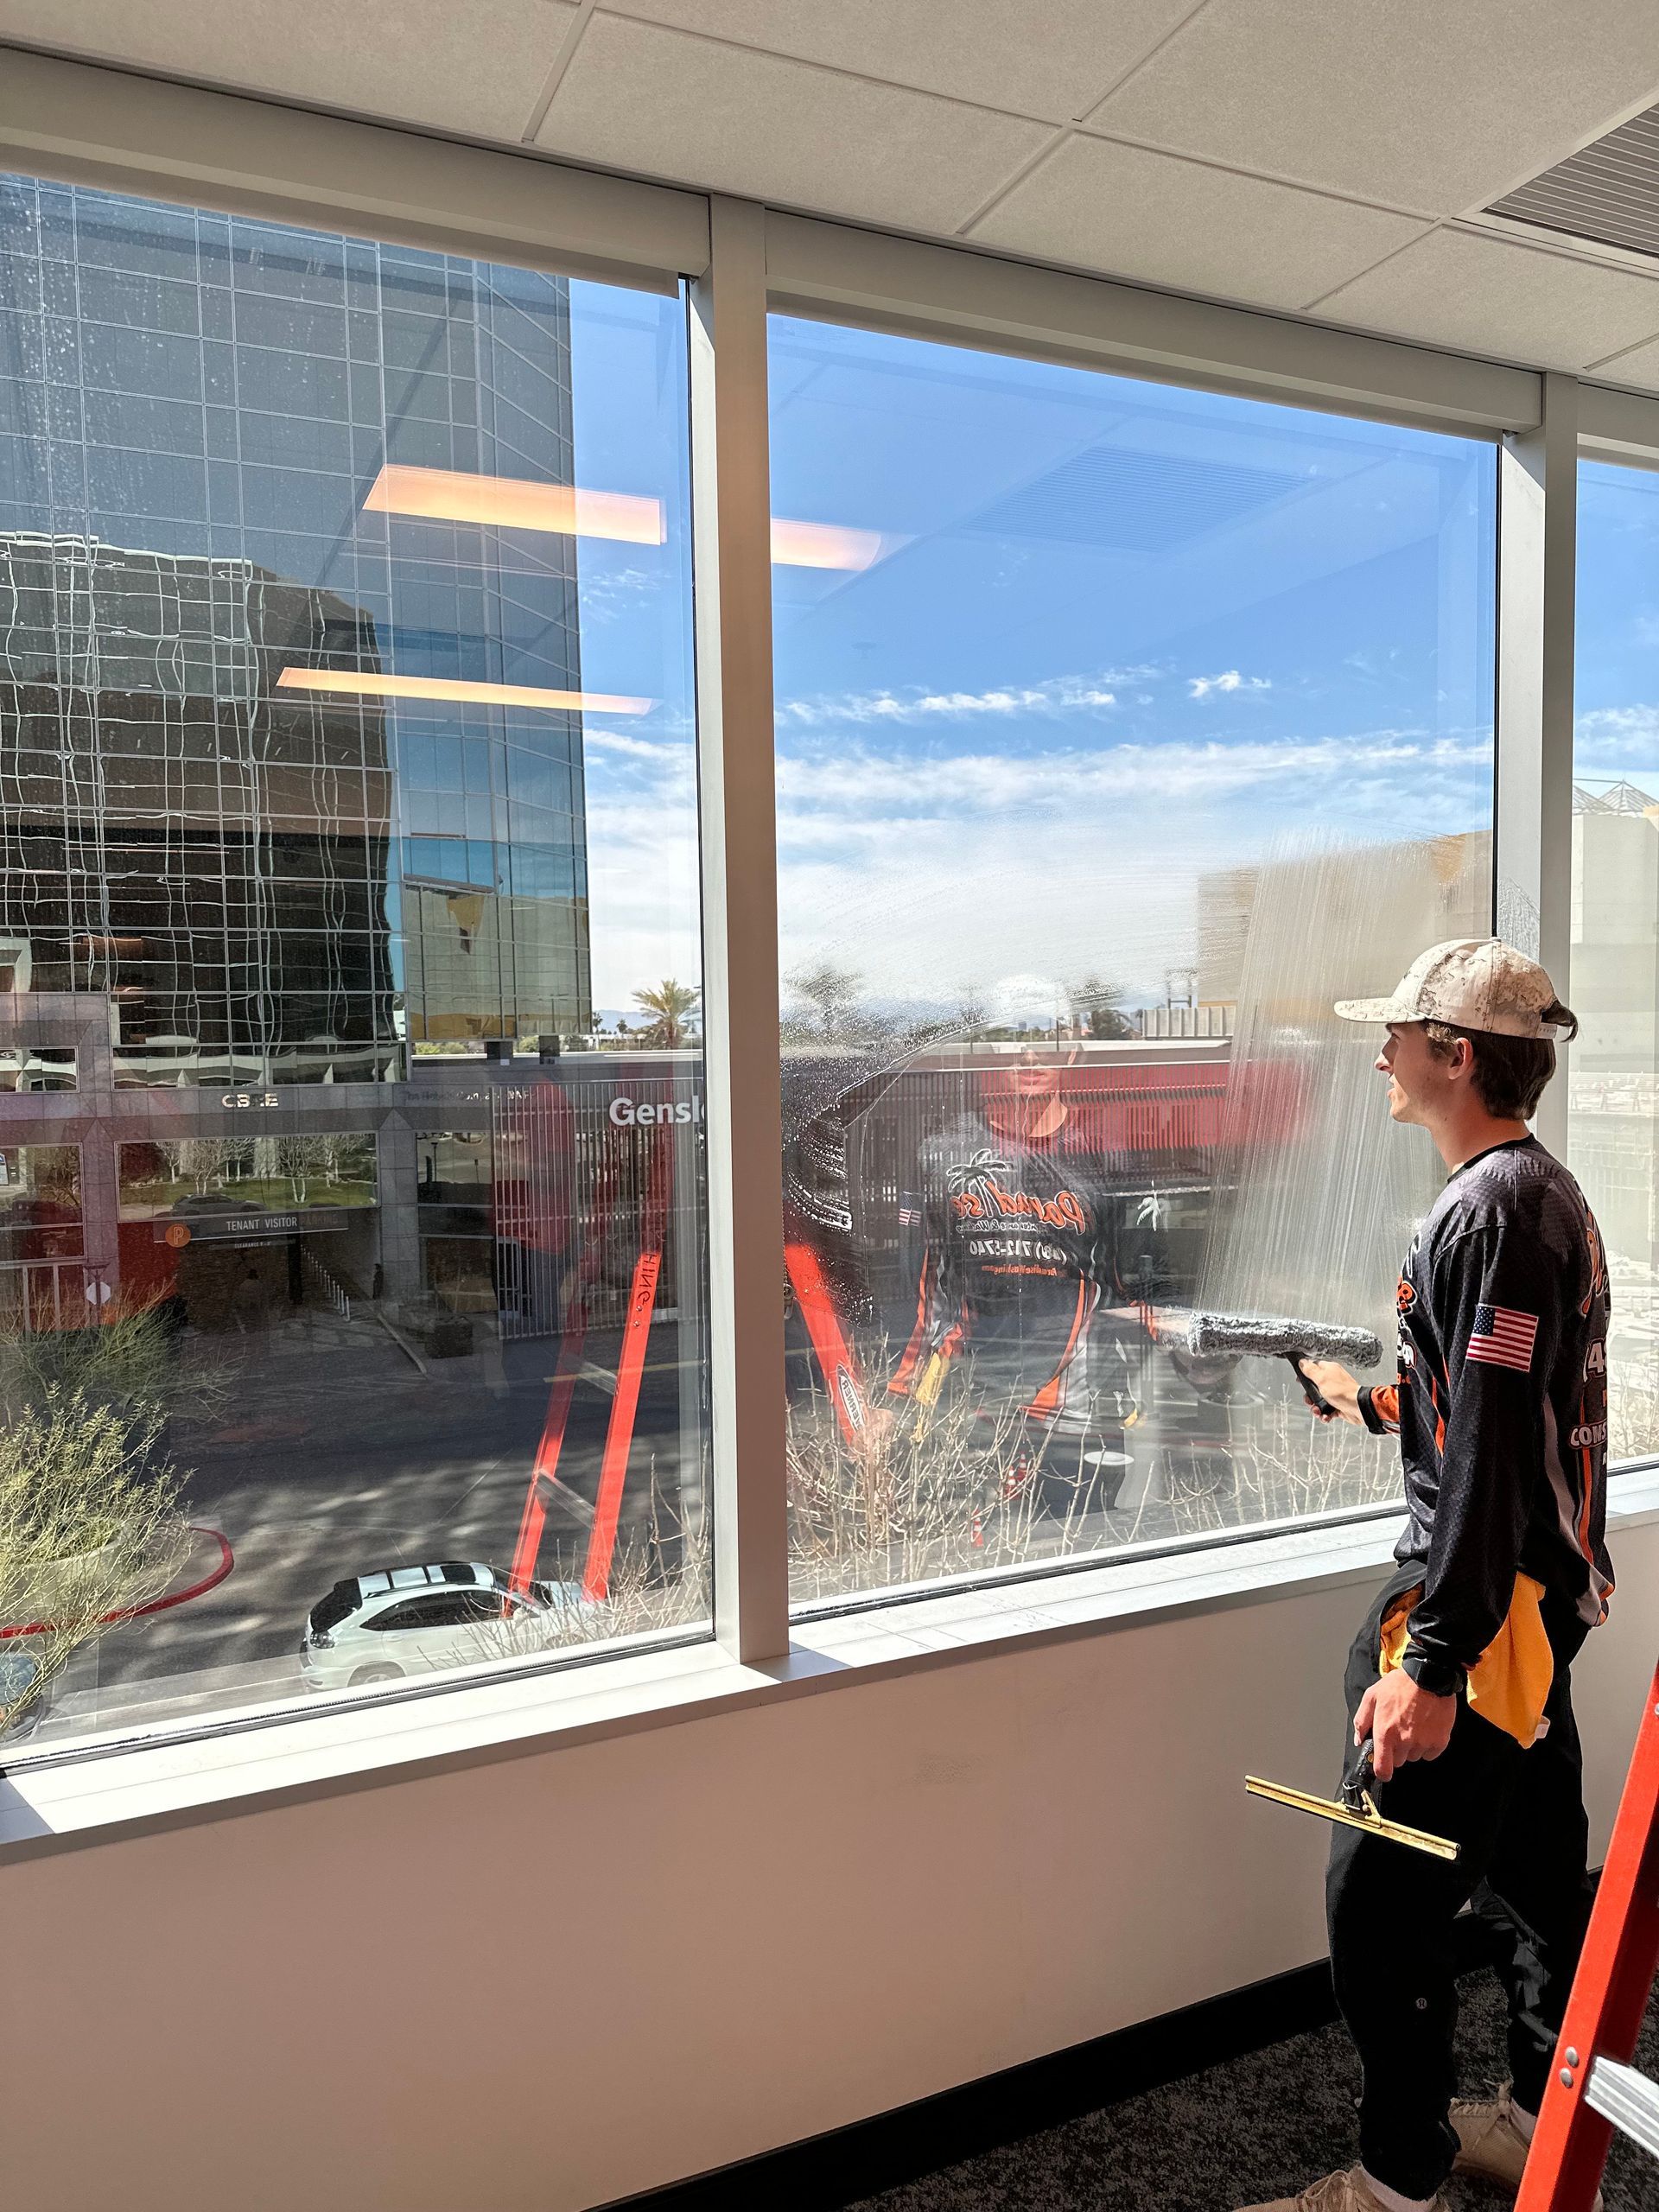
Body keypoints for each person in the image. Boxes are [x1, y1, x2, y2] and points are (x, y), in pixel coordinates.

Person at [1243, 940, 1612, 2212]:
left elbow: (1496, 1456)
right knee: (1530, 1882)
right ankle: (1528, 2118)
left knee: (1376, 1917)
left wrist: (1432, 1666)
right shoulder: (1530, 1195)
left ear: (1456, 1056)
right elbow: (1486, 1405)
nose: (1379, 1054)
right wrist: (1366, 1401)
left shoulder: (1494, 1213)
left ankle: (1398, 2182)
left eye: (1398, 1035)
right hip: (1526, 1600)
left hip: (1486, 1608)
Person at [887, 1045, 1166, 1513]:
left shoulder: (1108, 1156)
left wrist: (1200, 1371)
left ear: (1074, 1051)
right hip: (972, 1406)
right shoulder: (942, 1154)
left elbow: (1141, 1288)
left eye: (1048, 1038)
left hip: (1079, 1413)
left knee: (1078, 1560)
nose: (1030, 1055)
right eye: (1012, 1037)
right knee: (978, 1568)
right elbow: (923, 1285)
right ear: (987, 1052)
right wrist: (898, 1396)